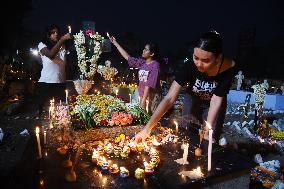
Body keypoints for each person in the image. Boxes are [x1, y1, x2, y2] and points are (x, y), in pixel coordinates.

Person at [135, 31, 236, 143]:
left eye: (205, 61)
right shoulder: (189, 66)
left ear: (218, 58)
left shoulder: (228, 68)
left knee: (209, 139)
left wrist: (207, 131)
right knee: (186, 132)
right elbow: (169, 98)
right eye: (196, 58)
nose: (199, 64)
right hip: (193, 98)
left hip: (214, 103)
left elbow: (216, 100)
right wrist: (147, 129)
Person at [108, 35, 161, 114]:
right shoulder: (142, 63)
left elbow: (148, 84)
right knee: (142, 121)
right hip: (143, 96)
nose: (143, 50)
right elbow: (127, 57)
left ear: (152, 54)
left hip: (152, 98)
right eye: (144, 48)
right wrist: (115, 43)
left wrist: (143, 101)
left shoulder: (155, 65)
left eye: (146, 50)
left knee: (151, 121)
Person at [36, 24, 72, 117]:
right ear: (48, 35)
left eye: (57, 32)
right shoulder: (42, 45)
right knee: (43, 108)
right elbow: (51, 55)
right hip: (47, 81)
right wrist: (62, 39)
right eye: (53, 32)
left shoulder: (62, 45)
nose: (56, 34)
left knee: (61, 108)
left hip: (60, 81)